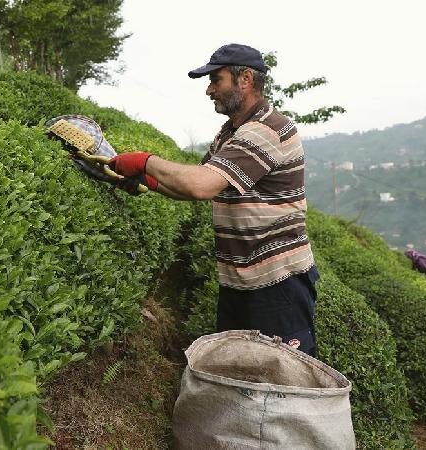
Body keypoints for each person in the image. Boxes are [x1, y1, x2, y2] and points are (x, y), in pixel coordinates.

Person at [107, 43, 321, 357]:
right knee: (238, 373)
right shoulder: (230, 132)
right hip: (239, 281)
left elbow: (202, 185)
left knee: (285, 381)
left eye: (216, 80)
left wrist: (145, 162)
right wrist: (148, 182)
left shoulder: (267, 130)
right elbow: (203, 183)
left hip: (278, 284)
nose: (209, 90)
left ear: (245, 79)